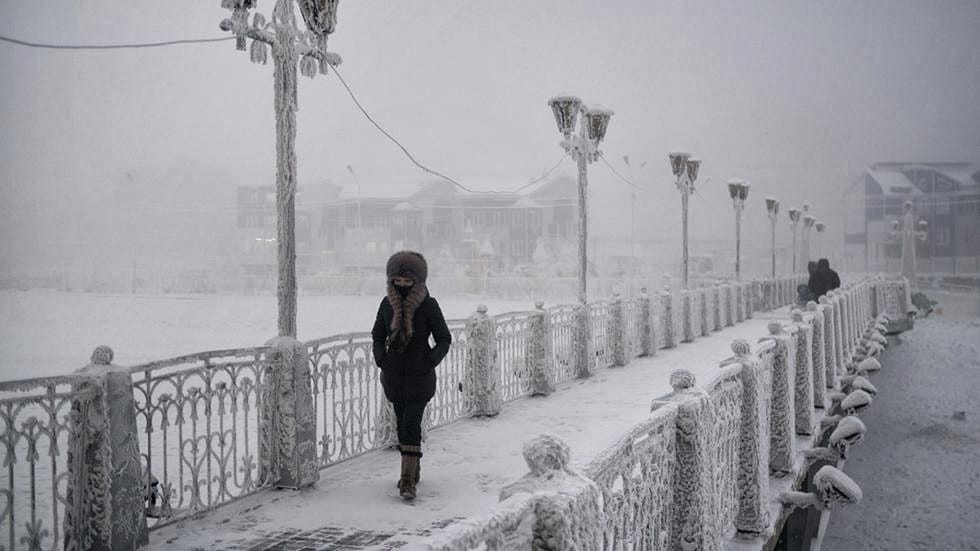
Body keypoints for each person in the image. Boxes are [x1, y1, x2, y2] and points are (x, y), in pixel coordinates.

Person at [372, 251, 452, 500]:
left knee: (411, 424)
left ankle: (407, 481)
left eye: (408, 281)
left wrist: (429, 360)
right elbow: (377, 335)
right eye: (398, 281)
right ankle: (413, 470)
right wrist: (382, 359)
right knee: (401, 425)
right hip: (394, 375)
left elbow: (444, 339)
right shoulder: (386, 304)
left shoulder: (429, 305)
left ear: (418, 281)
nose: (402, 285)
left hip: (419, 375)